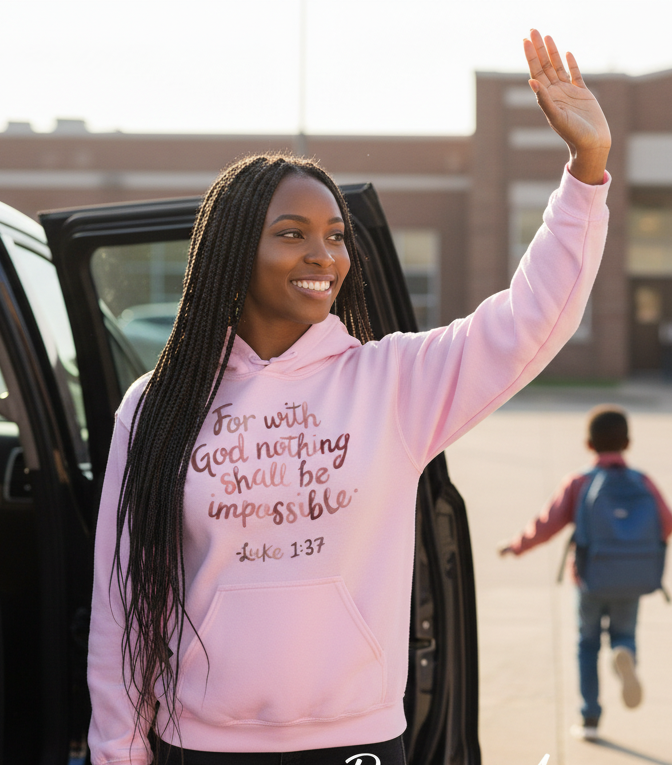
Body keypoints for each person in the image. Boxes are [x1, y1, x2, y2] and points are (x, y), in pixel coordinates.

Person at [88, 29, 612, 765]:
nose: (322, 255)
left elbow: (531, 319)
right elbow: (124, 599)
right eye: (292, 233)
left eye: (334, 235)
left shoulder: (391, 382)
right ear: (233, 251)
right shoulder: (157, 405)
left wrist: (584, 172)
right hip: (196, 741)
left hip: (355, 740)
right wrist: (118, 747)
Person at [499, 406, 672, 742]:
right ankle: (626, 657)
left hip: (590, 578)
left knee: (587, 644)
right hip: (633, 578)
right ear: (628, 442)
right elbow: (666, 523)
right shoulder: (643, 482)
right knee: (624, 632)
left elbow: (546, 524)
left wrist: (516, 546)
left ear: (588, 444)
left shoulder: (579, 482)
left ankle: (590, 718)